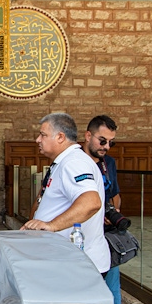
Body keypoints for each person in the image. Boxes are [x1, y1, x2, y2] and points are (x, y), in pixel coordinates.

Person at [84, 115, 140, 304]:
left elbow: (115, 193)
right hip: (80, 241)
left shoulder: (109, 164)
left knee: (112, 295)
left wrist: (113, 209)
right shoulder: (75, 162)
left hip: (106, 240)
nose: (106, 146)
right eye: (102, 140)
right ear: (88, 136)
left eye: (111, 143)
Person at [21, 113, 110, 275]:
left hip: (77, 265)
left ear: (60, 137)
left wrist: (51, 226)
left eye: (43, 135)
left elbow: (91, 202)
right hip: (66, 261)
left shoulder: (74, 162)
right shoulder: (65, 161)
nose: (37, 140)